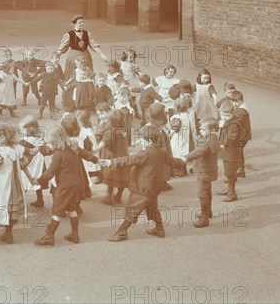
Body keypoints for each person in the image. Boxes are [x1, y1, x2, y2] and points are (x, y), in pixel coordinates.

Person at [106, 104, 185, 242]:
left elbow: (128, 160)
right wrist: (183, 160)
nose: (140, 141)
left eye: (142, 139)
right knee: (152, 207)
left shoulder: (145, 153)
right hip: (154, 186)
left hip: (142, 187)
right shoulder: (161, 152)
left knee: (132, 209)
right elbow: (172, 161)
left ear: (148, 140)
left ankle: (122, 231)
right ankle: (159, 228)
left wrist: (111, 162)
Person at [32, 127, 109, 246]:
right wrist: (97, 160)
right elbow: (86, 154)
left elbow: (50, 173)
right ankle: (74, 234)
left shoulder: (58, 154)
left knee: (57, 211)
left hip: (64, 186)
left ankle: (49, 236)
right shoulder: (73, 147)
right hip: (76, 184)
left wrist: (38, 181)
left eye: (50, 143)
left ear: (56, 141)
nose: (49, 145)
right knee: (71, 208)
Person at [57, 15, 108, 111]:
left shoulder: (87, 34)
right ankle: (70, 103)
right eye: (79, 22)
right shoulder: (69, 34)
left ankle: (87, 103)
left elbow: (94, 45)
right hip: (73, 59)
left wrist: (101, 54)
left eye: (82, 22)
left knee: (87, 80)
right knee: (73, 79)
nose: (81, 24)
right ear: (75, 23)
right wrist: (56, 57)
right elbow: (62, 48)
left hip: (86, 58)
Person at [182, 117, 221, 228]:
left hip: (204, 171)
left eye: (203, 129)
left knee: (202, 193)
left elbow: (200, 151)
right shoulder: (213, 138)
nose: (200, 131)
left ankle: (204, 217)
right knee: (207, 191)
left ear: (212, 130)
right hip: (207, 170)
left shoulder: (208, 141)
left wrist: (185, 158)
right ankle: (208, 211)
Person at [95, 110, 129, 205]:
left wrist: (95, 150)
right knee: (122, 178)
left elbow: (103, 142)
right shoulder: (125, 130)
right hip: (124, 157)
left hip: (112, 158)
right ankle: (118, 196)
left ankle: (109, 197)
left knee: (111, 179)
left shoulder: (110, 132)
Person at [216, 100, 244, 202]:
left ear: (232, 114)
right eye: (222, 115)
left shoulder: (234, 124)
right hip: (226, 153)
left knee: (230, 172)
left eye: (227, 115)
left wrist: (223, 144)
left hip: (231, 153)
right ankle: (229, 189)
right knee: (228, 171)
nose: (224, 117)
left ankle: (232, 193)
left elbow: (231, 137)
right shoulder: (226, 122)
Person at [231, 90, 252, 177]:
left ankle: (237, 171)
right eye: (233, 101)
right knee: (239, 153)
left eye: (237, 102)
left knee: (236, 153)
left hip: (240, 137)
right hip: (244, 136)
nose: (235, 104)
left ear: (242, 100)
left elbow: (235, 122)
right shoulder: (242, 108)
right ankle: (241, 170)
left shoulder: (241, 112)